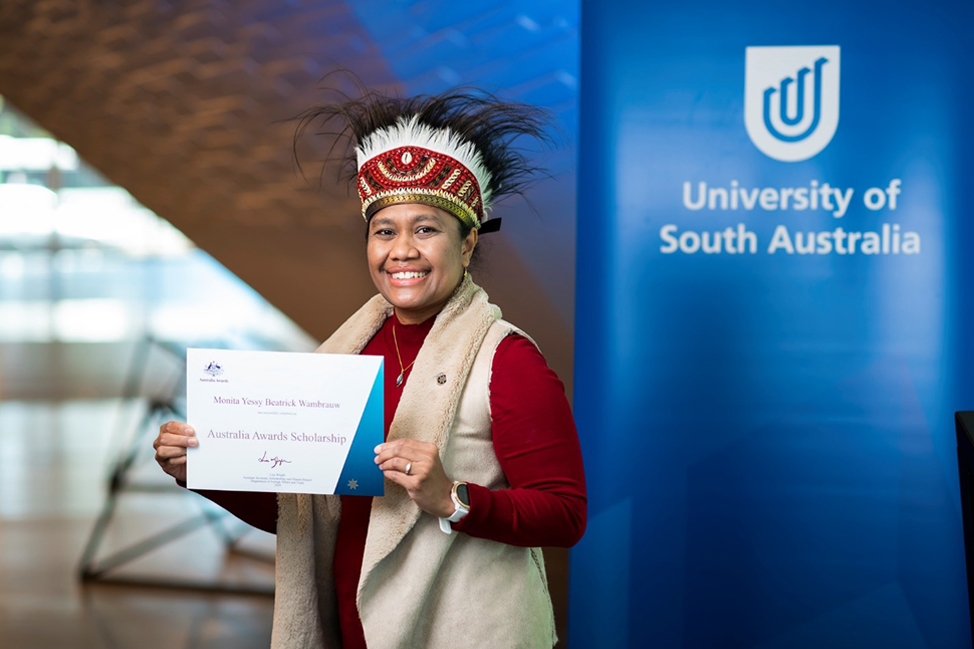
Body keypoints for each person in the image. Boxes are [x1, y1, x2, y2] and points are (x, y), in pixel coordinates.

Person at [152, 89, 586, 649]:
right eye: (385, 231)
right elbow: (300, 511)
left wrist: (453, 498)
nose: (401, 250)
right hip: (352, 629)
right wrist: (204, 469)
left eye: (426, 229)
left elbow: (564, 514)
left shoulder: (507, 359)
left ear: (469, 241)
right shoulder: (343, 356)